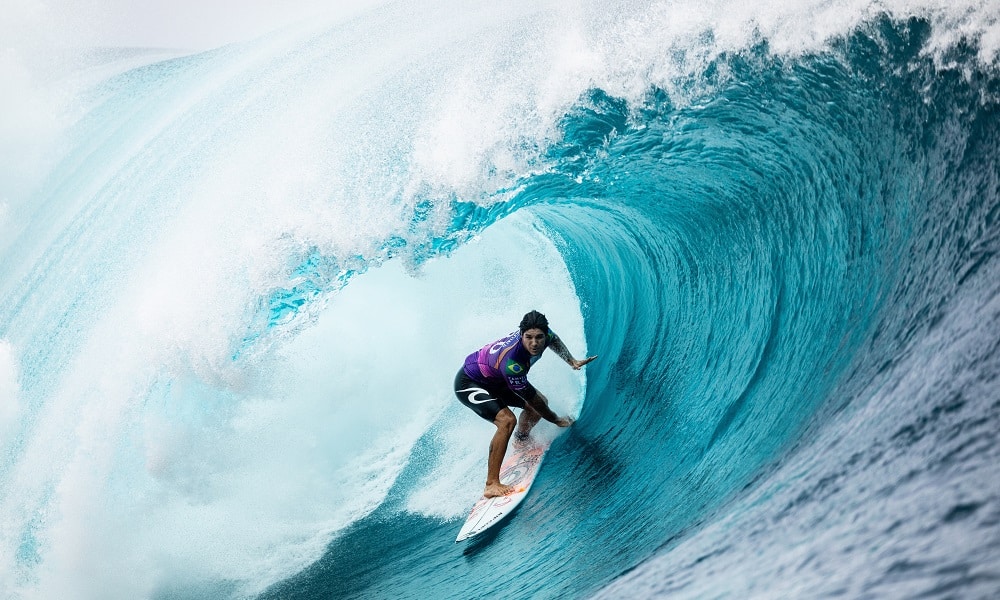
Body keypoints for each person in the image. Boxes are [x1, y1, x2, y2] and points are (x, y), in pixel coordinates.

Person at [454, 310, 597, 498]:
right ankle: (491, 484)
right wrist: (557, 420)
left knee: (538, 405)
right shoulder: (513, 363)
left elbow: (554, 340)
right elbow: (532, 398)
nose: (535, 343)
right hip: (470, 383)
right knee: (507, 420)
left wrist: (571, 361)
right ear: (521, 334)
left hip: (495, 379)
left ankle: (521, 441)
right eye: (529, 337)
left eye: (539, 337)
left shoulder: (545, 335)